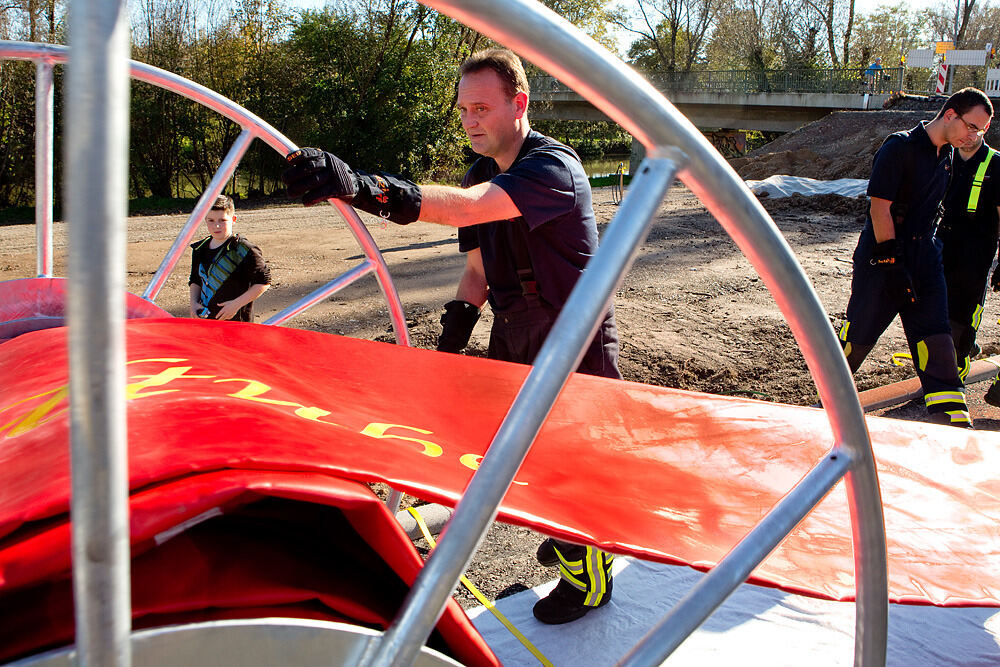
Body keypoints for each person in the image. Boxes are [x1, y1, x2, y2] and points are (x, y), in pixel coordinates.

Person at [281, 48, 619, 625]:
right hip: (514, 330)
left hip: (571, 333)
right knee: (512, 457)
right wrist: (452, 340)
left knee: (570, 459)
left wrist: (363, 187)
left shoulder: (551, 169)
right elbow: (478, 272)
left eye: (483, 108)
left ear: (520, 104)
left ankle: (590, 576)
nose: (471, 121)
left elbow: (469, 211)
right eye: (463, 110)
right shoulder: (479, 170)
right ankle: (570, 543)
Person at [838, 87, 993, 428]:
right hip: (883, 259)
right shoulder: (900, 147)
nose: (975, 136)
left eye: (980, 131)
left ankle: (953, 422)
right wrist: (891, 263)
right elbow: (880, 208)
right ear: (950, 114)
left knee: (937, 340)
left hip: (926, 258)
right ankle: (823, 403)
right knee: (858, 338)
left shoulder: (947, 156)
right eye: (972, 126)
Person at [937, 130, 999, 400]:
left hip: (975, 254)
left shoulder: (995, 164)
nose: (969, 135)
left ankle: (955, 374)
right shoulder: (945, 157)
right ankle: (940, 367)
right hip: (941, 244)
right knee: (935, 312)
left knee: (962, 316)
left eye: (977, 129)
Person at [188, 194, 271, 322]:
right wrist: (193, 303)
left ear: (233, 219)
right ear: (205, 219)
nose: (216, 226)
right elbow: (195, 280)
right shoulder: (200, 249)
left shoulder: (244, 250)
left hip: (237, 322)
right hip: (206, 320)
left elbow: (264, 282)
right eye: (211, 220)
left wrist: (236, 304)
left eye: (222, 220)